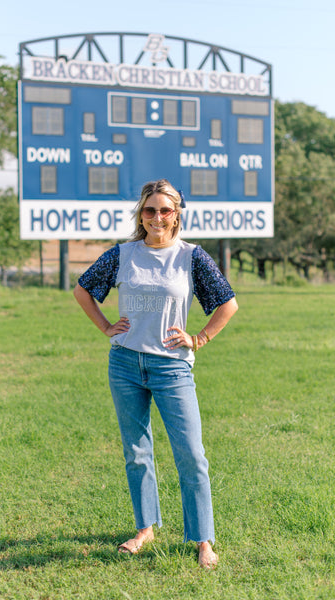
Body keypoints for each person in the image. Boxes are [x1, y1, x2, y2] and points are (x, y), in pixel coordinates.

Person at [73, 179, 238, 569]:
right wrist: (104, 326)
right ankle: (145, 528)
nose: (157, 217)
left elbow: (227, 304)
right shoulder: (122, 255)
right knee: (136, 452)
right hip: (126, 363)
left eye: (165, 210)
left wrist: (199, 338)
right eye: (150, 210)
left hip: (172, 368)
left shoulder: (191, 257)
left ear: (177, 214)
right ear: (141, 215)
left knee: (192, 455)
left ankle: (202, 539)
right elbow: (83, 290)